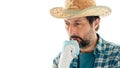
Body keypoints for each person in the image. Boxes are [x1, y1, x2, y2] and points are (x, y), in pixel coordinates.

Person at [50, 0, 120, 68]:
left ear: (95, 23)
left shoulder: (116, 56)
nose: (71, 31)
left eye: (77, 24)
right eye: (67, 23)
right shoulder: (60, 60)